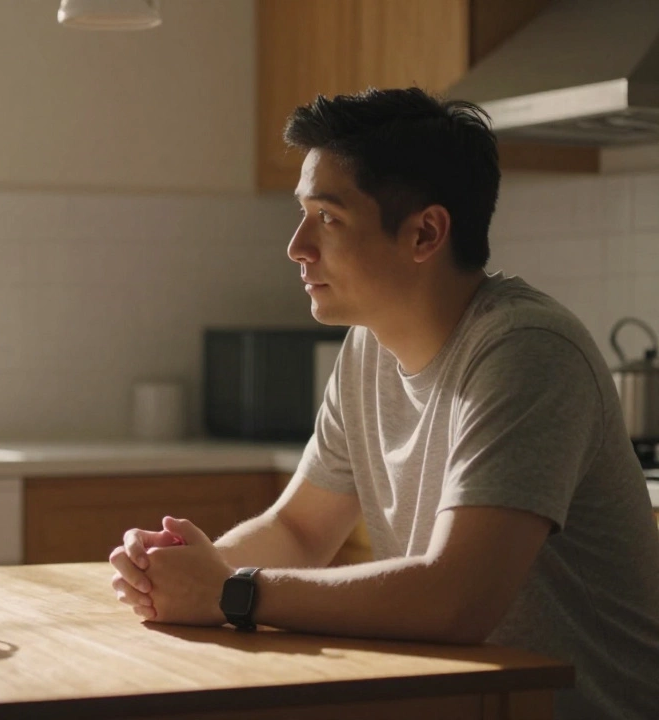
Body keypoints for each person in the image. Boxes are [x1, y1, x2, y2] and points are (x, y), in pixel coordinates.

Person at [109, 88, 659, 719]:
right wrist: (188, 573)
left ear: (425, 233)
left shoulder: (527, 351)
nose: (296, 246)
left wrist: (232, 592)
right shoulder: (368, 348)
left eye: (327, 218)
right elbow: (297, 529)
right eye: (302, 214)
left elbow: (459, 597)